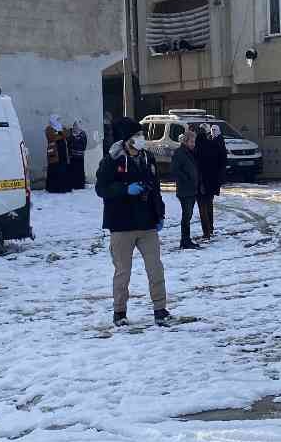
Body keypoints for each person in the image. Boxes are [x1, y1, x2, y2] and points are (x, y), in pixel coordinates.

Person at [95, 117, 169, 327]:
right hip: (121, 225)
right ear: (127, 140)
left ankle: (160, 310)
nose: (141, 138)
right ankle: (120, 313)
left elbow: (156, 188)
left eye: (141, 135)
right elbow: (101, 189)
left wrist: (159, 214)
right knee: (122, 272)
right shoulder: (112, 160)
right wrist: (125, 190)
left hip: (147, 224)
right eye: (137, 136)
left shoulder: (147, 157)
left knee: (156, 269)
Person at [170, 127, 204, 250]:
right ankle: (185, 240)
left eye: (194, 142)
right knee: (186, 216)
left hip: (191, 189)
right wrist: (187, 179)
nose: (193, 144)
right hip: (185, 190)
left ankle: (186, 239)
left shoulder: (191, 153)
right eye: (191, 142)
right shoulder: (179, 153)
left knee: (188, 216)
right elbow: (175, 170)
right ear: (185, 141)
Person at [194, 122, 227, 239]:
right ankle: (210, 229)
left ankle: (206, 231)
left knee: (203, 207)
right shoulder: (213, 144)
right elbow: (222, 160)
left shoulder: (197, 147)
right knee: (209, 205)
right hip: (212, 182)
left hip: (201, 182)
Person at [44, 115, 72, 193]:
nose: (59, 121)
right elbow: (52, 137)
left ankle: (64, 187)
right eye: (57, 119)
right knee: (55, 168)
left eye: (59, 119)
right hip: (54, 151)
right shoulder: (49, 128)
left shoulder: (61, 127)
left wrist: (60, 133)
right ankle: (54, 188)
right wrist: (61, 134)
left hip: (62, 150)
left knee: (63, 168)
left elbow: (67, 134)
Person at [67, 121, 89, 190]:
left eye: (77, 126)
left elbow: (84, 143)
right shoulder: (70, 134)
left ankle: (80, 185)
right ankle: (73, 184)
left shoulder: (83, 134)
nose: (76, 127)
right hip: (73, 156)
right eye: (75, 126)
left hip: (80, 156)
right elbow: (69, 143)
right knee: (73, 171)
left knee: (80, 171)